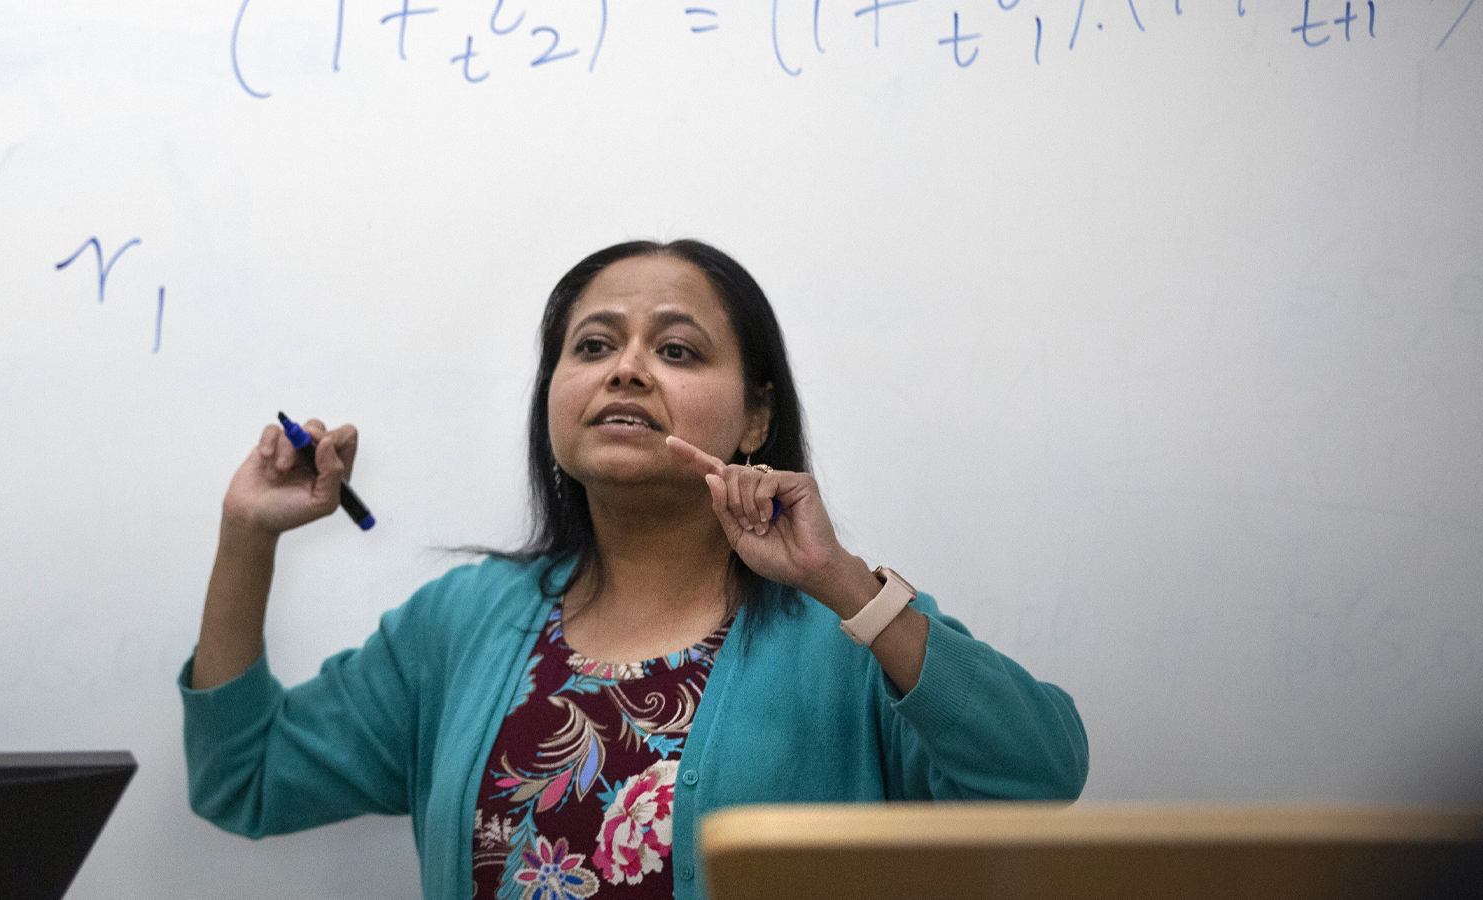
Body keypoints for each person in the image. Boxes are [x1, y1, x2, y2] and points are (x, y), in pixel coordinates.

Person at [180, 239, 1088, 900]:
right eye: (593, 346)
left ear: (758, 414)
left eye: (678, 349)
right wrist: (245, 533)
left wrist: (847, 583)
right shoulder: (460, 625)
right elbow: (246, 778)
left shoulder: (845, 632)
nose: (626, 371)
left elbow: (1036, 775)